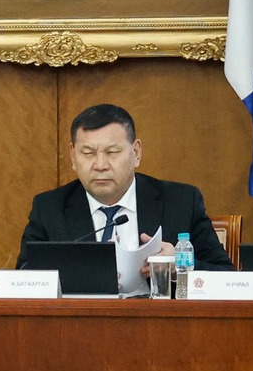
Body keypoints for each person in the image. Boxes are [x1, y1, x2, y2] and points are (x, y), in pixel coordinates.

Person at [20, 103, 231, 285]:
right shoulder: (49, 209)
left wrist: (181, 267)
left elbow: (226, 276)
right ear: (73, 156)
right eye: (88, 153)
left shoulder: (181, 202)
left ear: (136, 153)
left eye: (112, 152)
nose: (100, 165)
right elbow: (22, 280)